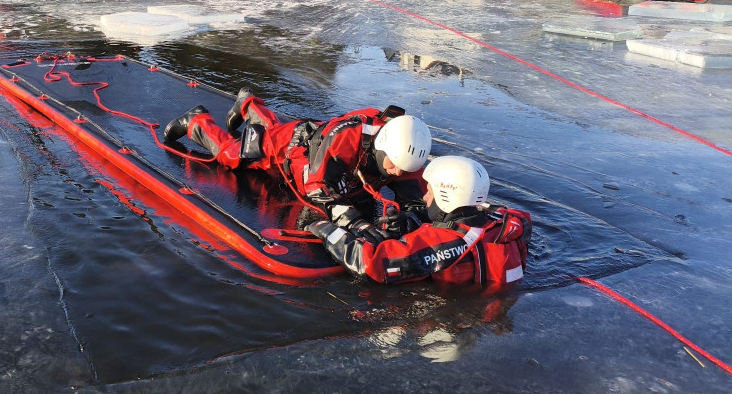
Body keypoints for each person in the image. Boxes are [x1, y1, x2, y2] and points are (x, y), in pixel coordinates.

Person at [163, 88, 432, 234]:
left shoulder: (406, 153)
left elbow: (416, 199)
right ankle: (197, 121)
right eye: (394, 165)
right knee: (234, 155)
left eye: (404, 168)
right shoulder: (348, 138)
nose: (397, 172)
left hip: (314, 139)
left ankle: (247, 103)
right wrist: (351, 220)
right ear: (383, 148)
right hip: (295, 149)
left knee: (268, 131)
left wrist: (410, 219)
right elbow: (316, 185)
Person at [307, 156, 531, 290]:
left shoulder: (446, 243)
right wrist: (413, 221)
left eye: (430, 193)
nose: (424, 198)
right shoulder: (508, 221)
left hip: (456, 312)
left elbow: (369, 263)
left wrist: (324, 229)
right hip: (495, 302)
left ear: (446, 197)